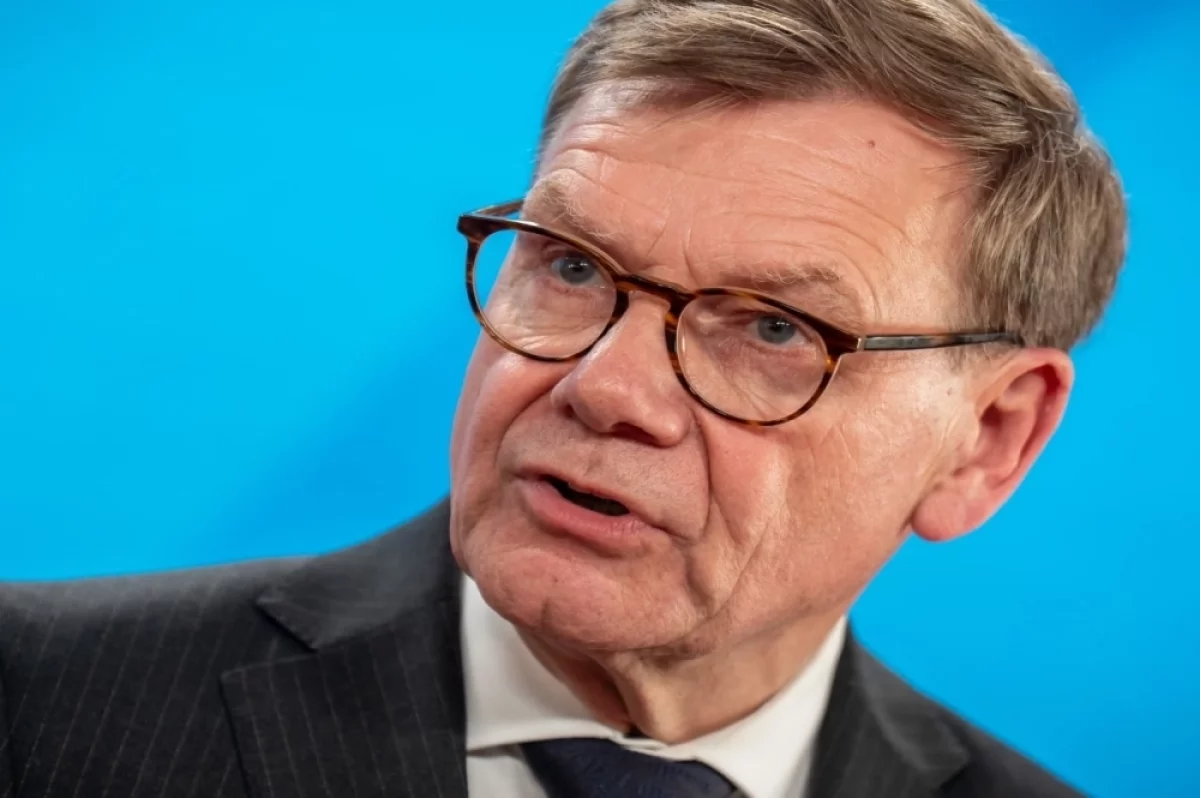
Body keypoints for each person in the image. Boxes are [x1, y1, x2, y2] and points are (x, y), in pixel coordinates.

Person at [0, 0, 1126, 796]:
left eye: (774, 329)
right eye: (573, 265)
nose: (608, 388)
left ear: (987, 440)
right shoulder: (37, 706)